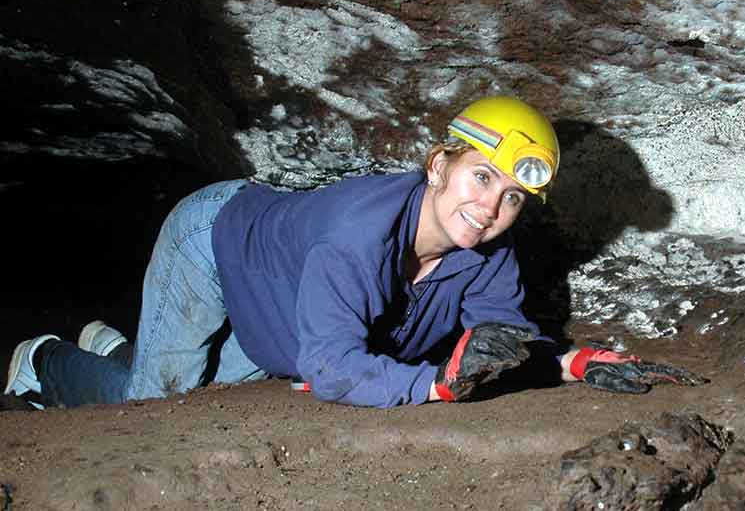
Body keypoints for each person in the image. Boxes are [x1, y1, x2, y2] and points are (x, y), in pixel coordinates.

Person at [5, 97, 703, 410]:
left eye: (513, 197)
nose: (492, 207)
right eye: (482, 178)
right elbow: (333, 367)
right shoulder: (359, 234)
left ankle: (120, 341)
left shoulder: (489, 248)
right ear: (437, 167)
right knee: (152, 404)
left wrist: (575, 362)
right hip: (218, 245)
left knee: (212, 378)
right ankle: (45, 361)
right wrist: (431, 386)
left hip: (280, 306)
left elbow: (503, 342)